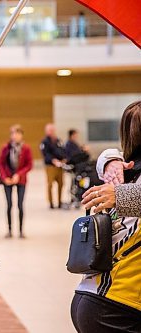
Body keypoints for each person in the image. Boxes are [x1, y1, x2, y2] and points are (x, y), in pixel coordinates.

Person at [71, 101, 141, 333]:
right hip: (115, 307)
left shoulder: (124, 175)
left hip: (98, 300)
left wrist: (110, 159)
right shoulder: (126, 181)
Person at [0, 125, 33, 239]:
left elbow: (29, 165)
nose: (15, 136)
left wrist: (19, 174)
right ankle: (9, 230)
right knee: (9, 205)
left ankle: (21, 230)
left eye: (17, 134)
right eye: (13, 133)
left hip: (20, 180)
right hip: (8, 180)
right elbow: (1, 163)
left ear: (21, 135)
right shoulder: (6, 147)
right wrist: (4, 177)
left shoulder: (26, 148)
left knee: (20, 205)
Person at [40, 123, 67, 209]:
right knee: (50, 184)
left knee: (61, 184)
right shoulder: (44, 142)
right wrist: (53, 160)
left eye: (52, 130)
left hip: (60, 166)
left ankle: (59, 201)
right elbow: (45, 154)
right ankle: (51, 202)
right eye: (49, 130)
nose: (51, 132)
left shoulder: (58, 140)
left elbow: (63, 150)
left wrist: (63, 159)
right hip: (50, 166)